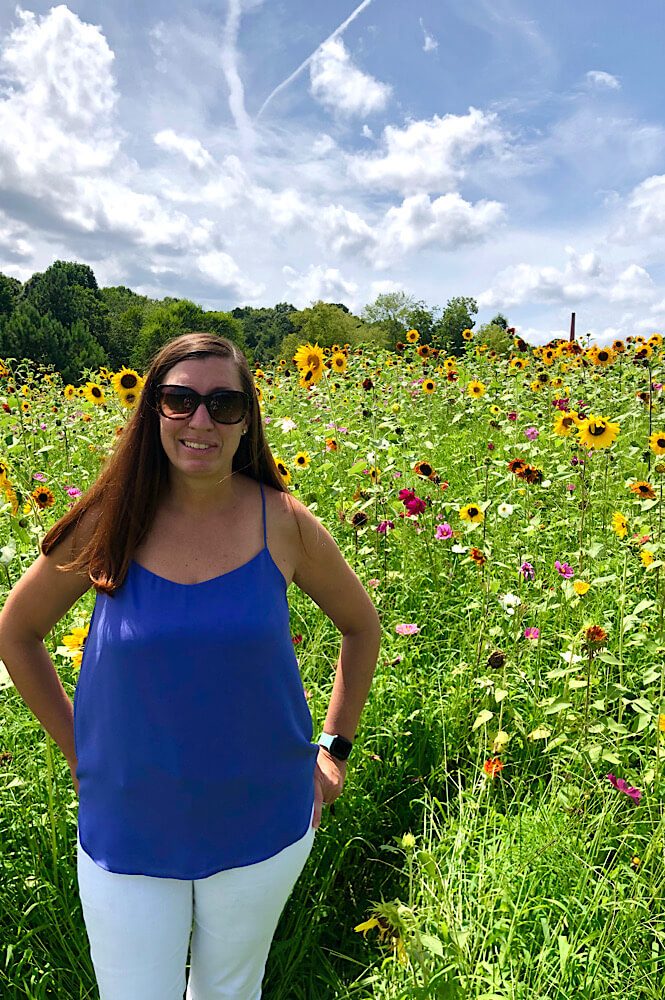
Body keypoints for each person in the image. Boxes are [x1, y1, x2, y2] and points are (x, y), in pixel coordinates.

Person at [0, 332, 382, 1000]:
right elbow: (18, 631)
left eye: (223, 404)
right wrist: (78, 750)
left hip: (262, 818)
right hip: (128, 821)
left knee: (229, 992)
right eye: (179, 400)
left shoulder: (282, 523)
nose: (200, 420)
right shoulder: (107, 521)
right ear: (153, 412)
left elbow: (360, 627)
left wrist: (334, 748)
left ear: (246, 421)